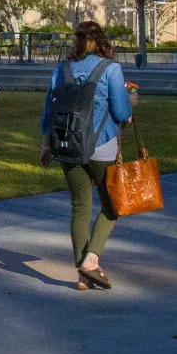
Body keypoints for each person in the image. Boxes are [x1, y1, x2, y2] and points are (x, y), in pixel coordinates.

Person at [39, 20, 133, 290]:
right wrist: (131, 102)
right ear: (102, 41)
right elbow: (121, 114)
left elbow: (49, 111)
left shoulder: (62, 69)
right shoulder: (110, 69)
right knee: (112, 205)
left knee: (80, 207)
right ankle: (91, 261)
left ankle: (82, 276)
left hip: (66, 145)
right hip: (102, 147)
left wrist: (46, 145)